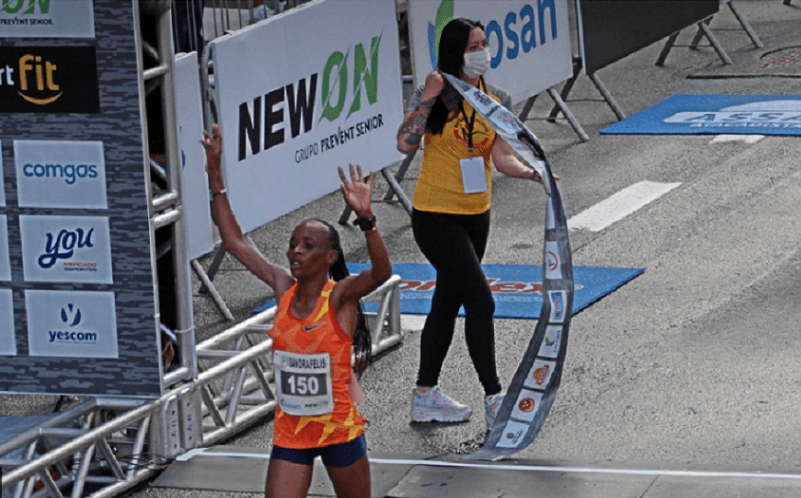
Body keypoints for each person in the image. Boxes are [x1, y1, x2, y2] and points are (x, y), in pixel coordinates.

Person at [202, 123, 391, 498]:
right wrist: (214, 174)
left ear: (330, 256)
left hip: (338, 430)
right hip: (292, 431)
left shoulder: (340, 297)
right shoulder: (282, 286)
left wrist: (367, 220)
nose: (295, 252)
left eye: (307, 245)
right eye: (292, 245)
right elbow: (234, 241)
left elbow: (382, 273)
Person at [396, 18, 548, 428]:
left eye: (484, 44)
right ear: (455, 51)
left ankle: (425, 393)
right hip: (435, 214)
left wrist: (532, 172)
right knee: (481, 301)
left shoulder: (495, 98)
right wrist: (426, 97)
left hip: (477, 214)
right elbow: (405, 142)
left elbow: (500, 157)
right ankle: (495, 396)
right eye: (472, 46)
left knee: (447, 301)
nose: (481, 52)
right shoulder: (438, 90)